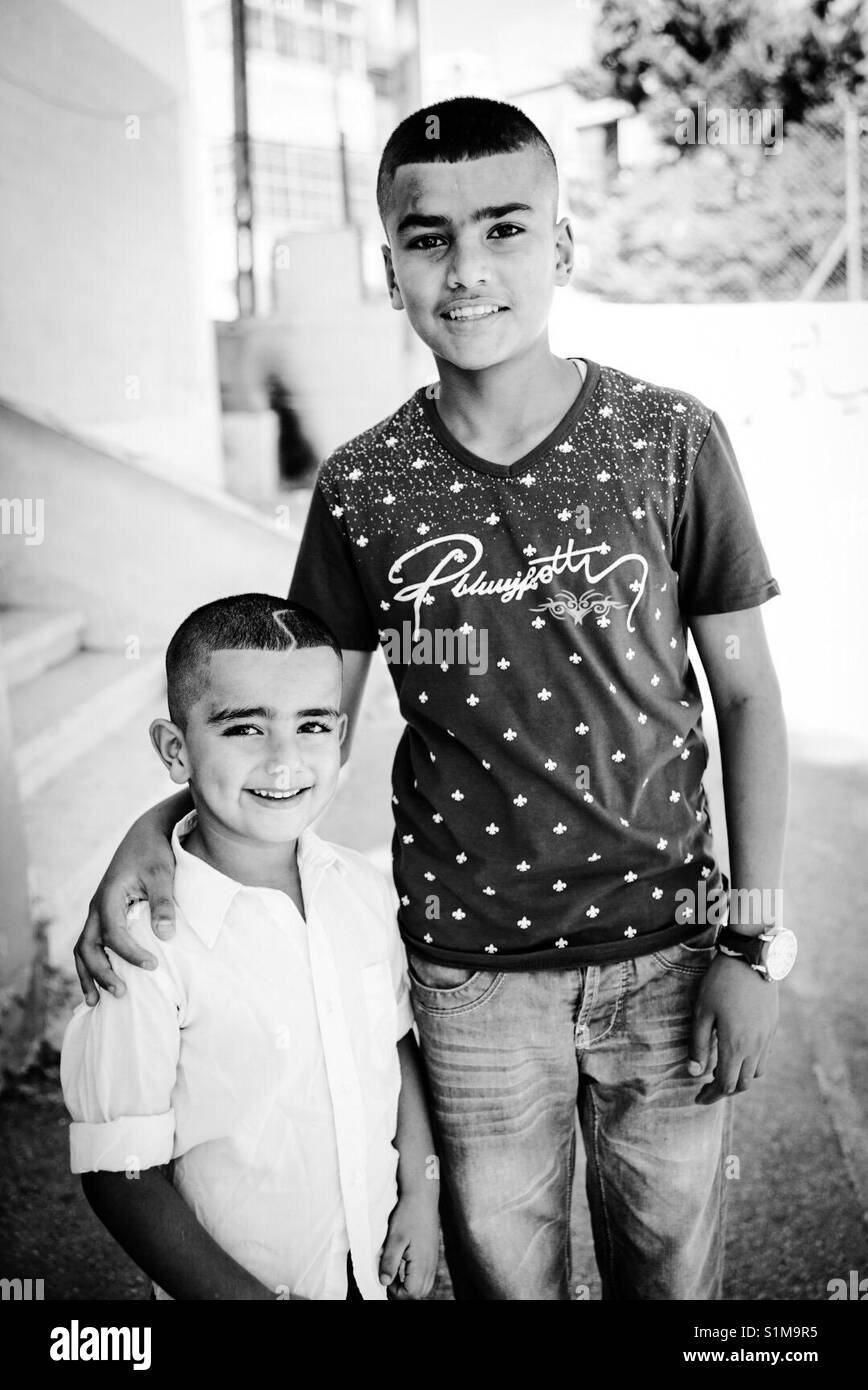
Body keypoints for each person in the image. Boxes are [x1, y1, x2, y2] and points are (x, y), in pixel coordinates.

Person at [74, 98, 792, 1301]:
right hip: (466, 975)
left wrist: (754, 944)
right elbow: (300, 727)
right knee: (506, 1279)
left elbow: (750, 700)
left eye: (505, 229)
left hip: (668, 954)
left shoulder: (670, 440)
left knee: (673, 1278)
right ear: (390, 262)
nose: (466, 270)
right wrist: (155, 827)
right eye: (428, 238)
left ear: (560, 248)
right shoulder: (364, 486)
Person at [61, 594, 440, 1301]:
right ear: (177, 750)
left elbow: (395, 1046)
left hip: (371, 1272)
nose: (284, 759)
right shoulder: (143, 948)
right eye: (243, 728)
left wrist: (421, 1196)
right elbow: (121, 1175)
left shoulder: (360, 889)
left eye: (313, 725)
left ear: (341, 735)